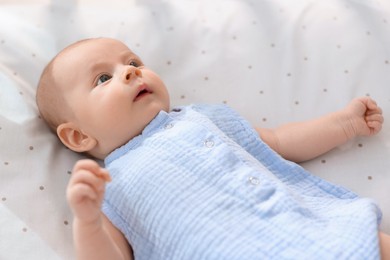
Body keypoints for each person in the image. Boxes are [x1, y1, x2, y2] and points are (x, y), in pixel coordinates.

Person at [36, 37, 389, 260]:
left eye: (132, 63)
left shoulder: (204, 117)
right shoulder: (108, 187)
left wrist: (342, 124)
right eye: (102, 79)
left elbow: (279, 141)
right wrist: (87, 222)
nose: (129, 73)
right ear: (79, 137)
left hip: (312, 231)